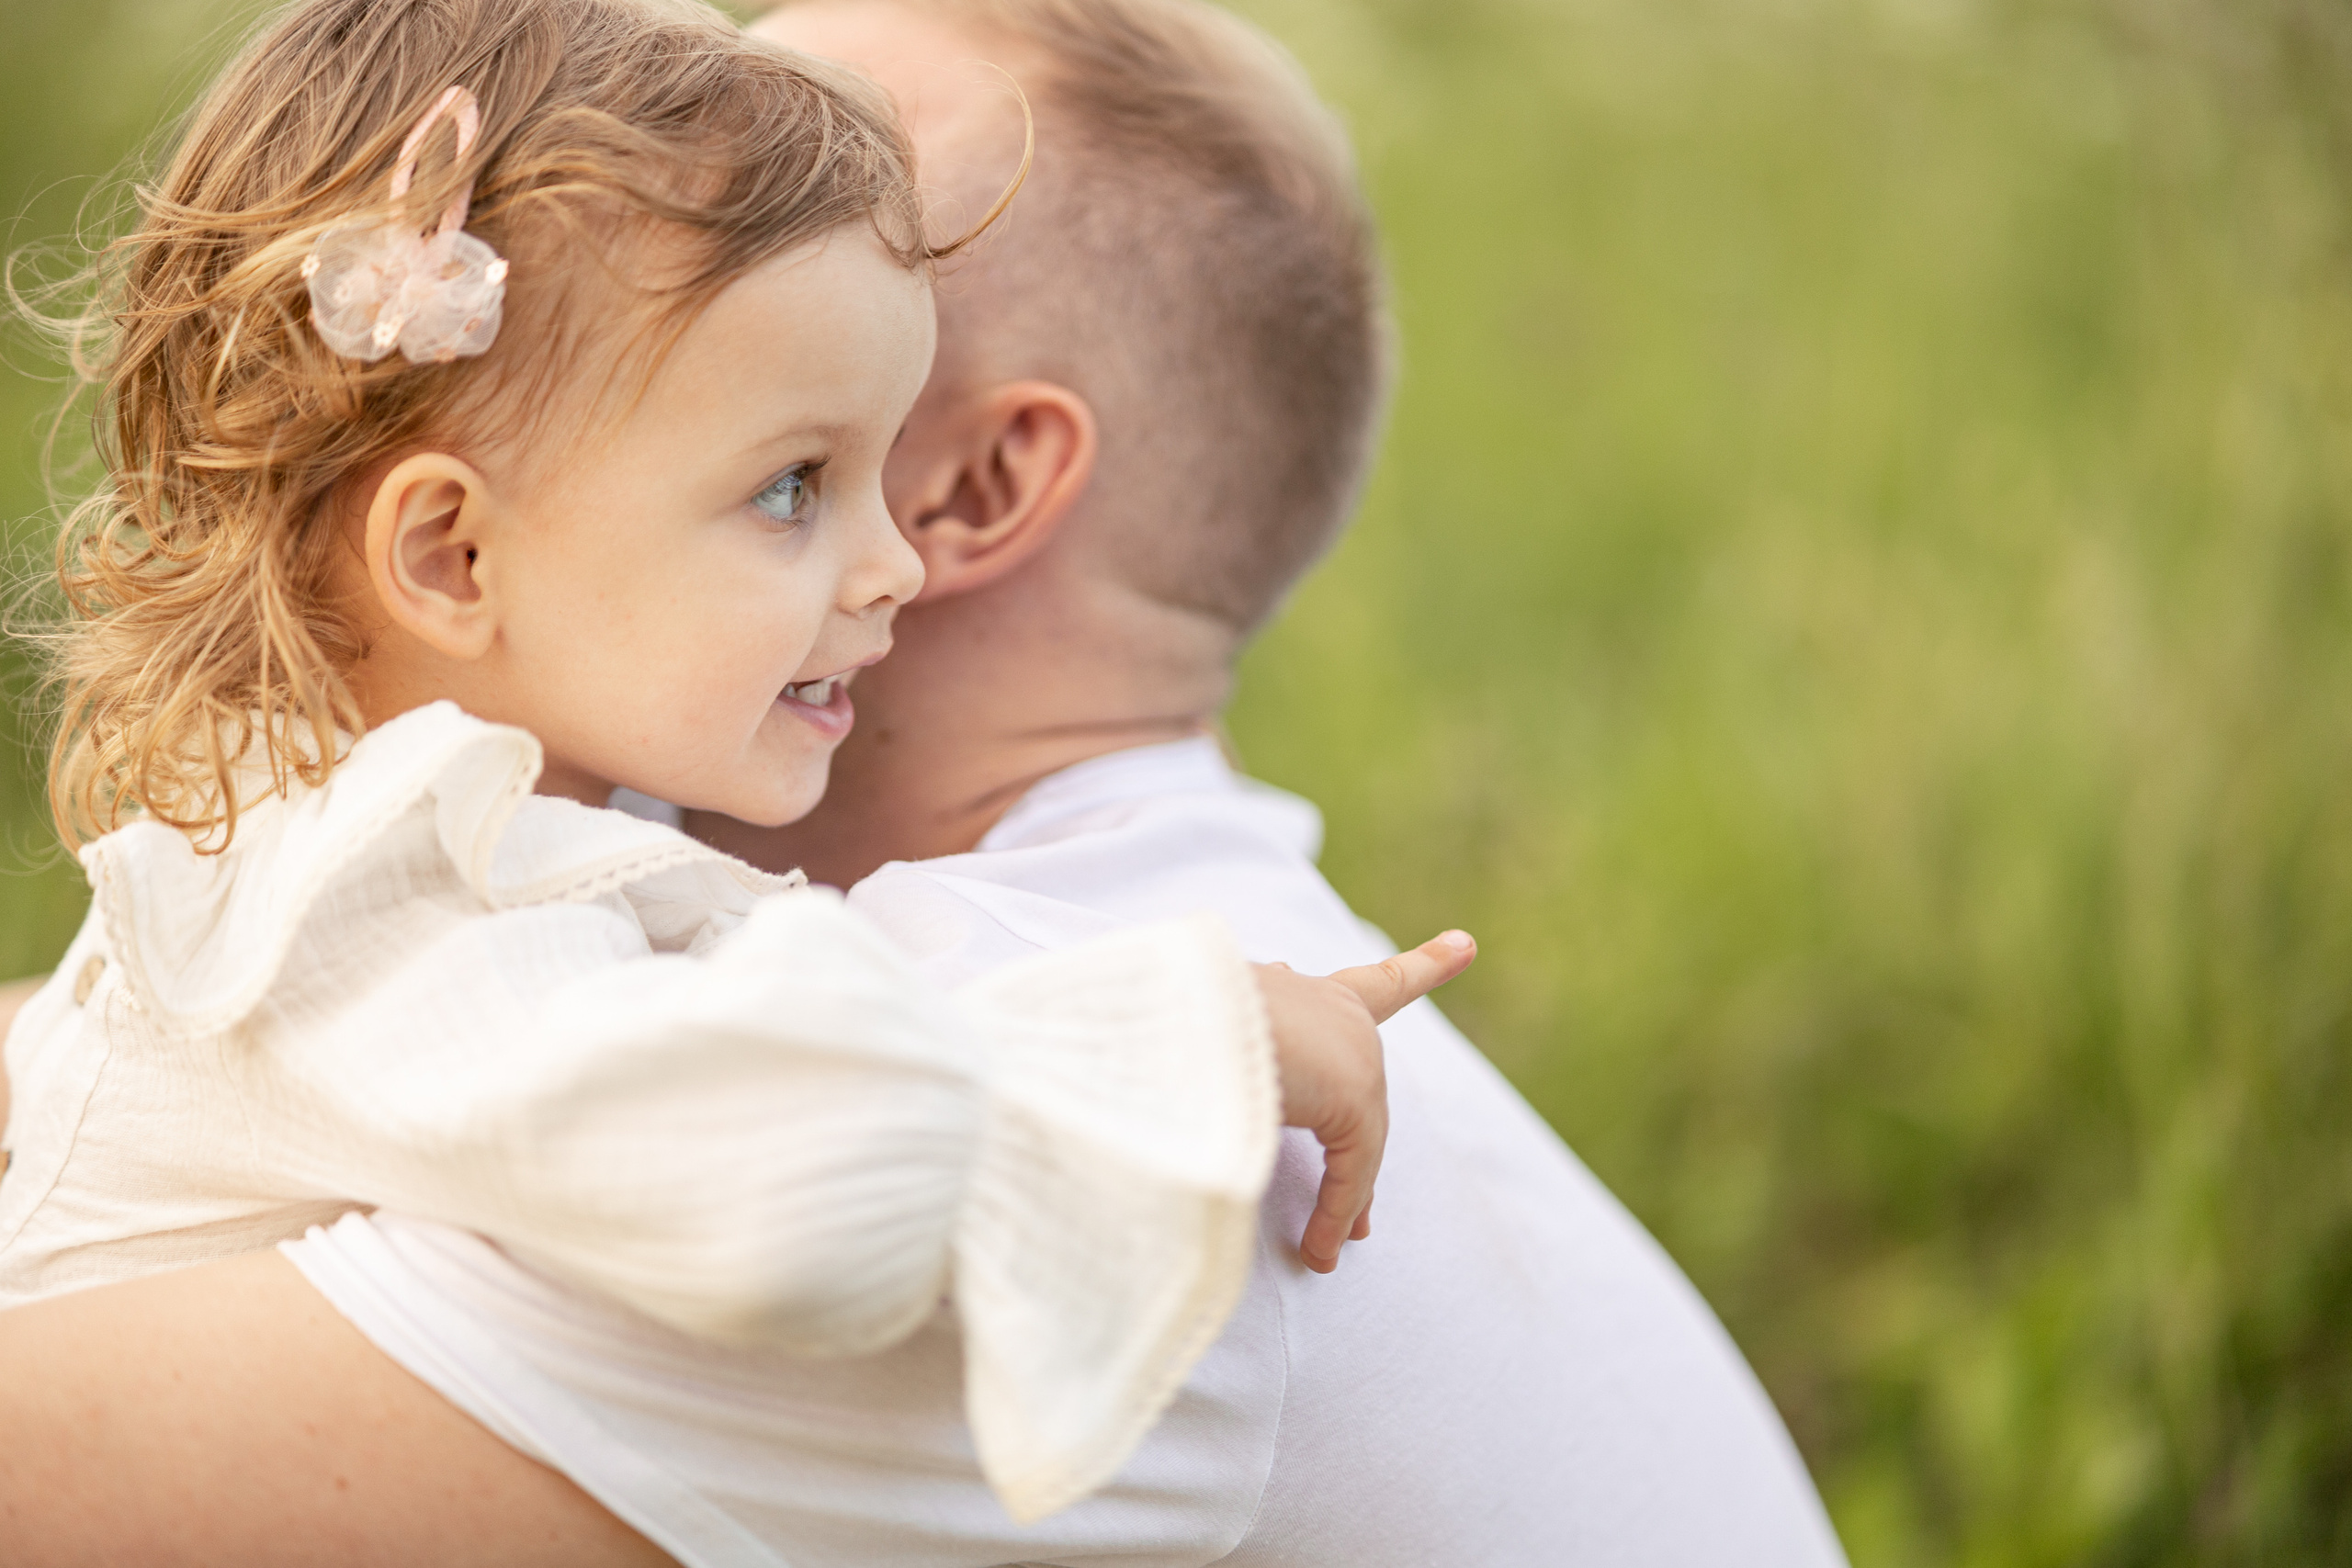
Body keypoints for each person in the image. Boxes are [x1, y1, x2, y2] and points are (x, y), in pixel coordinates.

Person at [0, 1, 1849, 1564]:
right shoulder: (1028, 920)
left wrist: (1174, 1051)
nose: (661, 153)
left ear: (957, 492)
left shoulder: (1099, 1140)